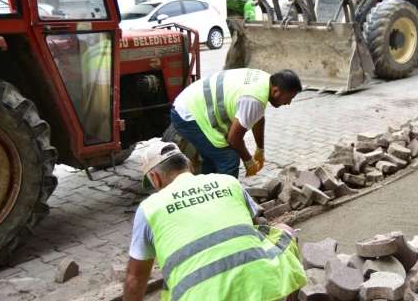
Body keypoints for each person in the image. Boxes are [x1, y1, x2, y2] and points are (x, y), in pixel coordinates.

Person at [123, 141, 307, 301]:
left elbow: (135, 278)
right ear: (190, 165)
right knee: (284, 230)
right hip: (262, 291)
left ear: (155, 178)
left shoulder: (149, 209)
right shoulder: (228, 182)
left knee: (175, 284)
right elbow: (257, 229)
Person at [171, 68, 302, 178]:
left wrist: (260, 150)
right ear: (276, 91)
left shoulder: (266, 81)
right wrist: (248, 161)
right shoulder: (253, 99)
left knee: (213, 157)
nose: (289, 103)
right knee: (229, 158)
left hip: (190, 105)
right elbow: (233, 139)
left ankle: (208, 195)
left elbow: (258, 117)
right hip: (189, 116)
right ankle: (227, 202)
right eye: (289, 98)